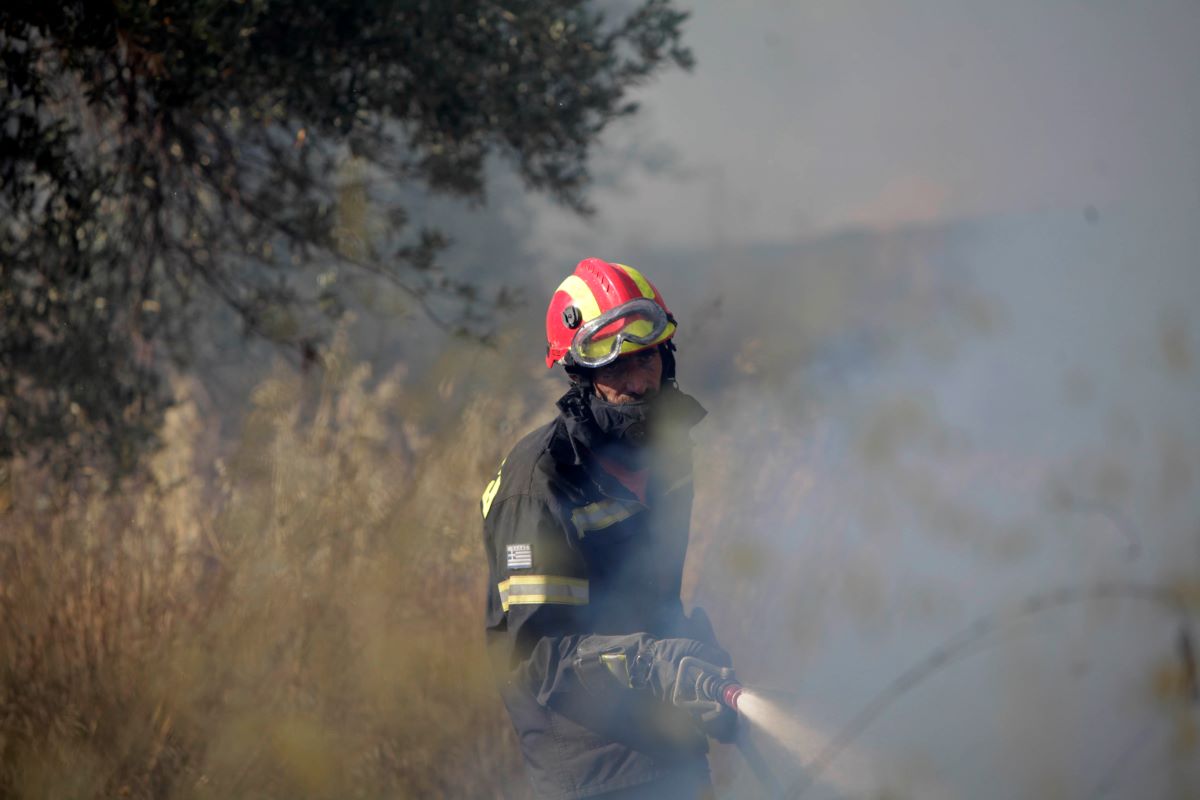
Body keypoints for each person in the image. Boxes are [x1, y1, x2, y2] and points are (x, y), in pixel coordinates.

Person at [480, 258, 737, 799]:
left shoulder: (667, 459)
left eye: (645, 358)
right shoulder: (541, 484)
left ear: (665, 358)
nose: (638, 382)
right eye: (615, 367)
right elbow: (538, 658)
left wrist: (695, 663)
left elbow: (648, 601)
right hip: (593, 771)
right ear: (581, 374)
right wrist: (652, 665)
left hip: (671, 747)